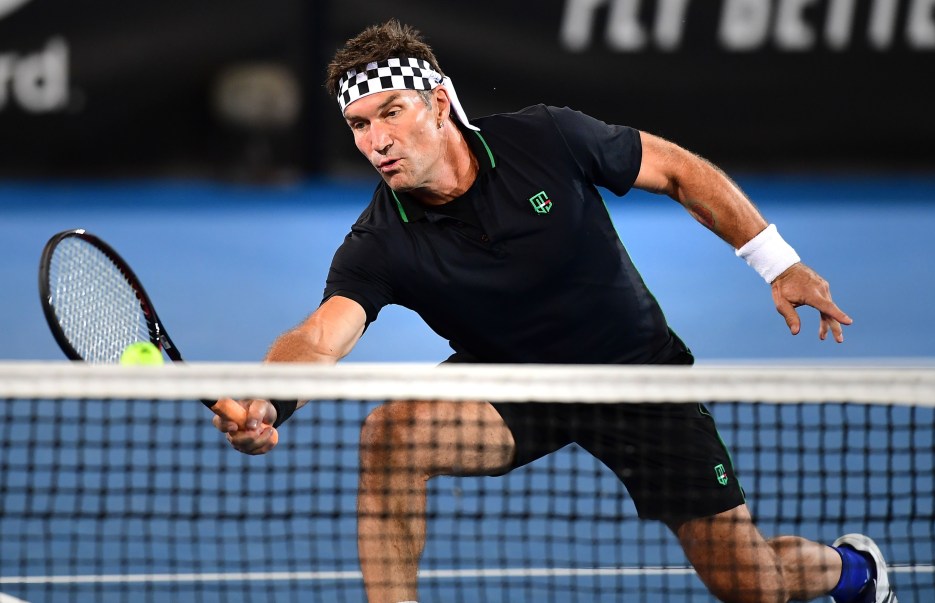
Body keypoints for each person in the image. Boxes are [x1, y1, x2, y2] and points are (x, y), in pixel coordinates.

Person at [212, 19, 897, 603]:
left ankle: (855, 571)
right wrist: (272, 398)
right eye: (360, 124)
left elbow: (679, 171)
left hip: (639, 378)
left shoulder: (547, 139)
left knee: (752, 586)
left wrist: (777, 262)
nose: (376, 140)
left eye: (391, 111)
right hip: (515, 387)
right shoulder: (380, 241)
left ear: (439, 104)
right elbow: (320, 334)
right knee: (390, 434)